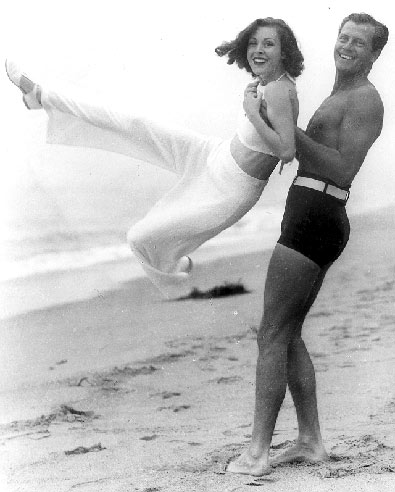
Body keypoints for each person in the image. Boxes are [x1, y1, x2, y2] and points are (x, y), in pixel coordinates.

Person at [5, 17, 303, 298]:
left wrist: (252, 112)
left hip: (231, 189)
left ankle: (176, 274)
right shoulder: (270, 84)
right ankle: (40, 95)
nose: (257, 50)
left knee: (139, 238)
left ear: (283, 51)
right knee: (136, 123)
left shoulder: (277, 90)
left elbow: (286, 151)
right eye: (253, 43)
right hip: (215, 155)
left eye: (268, 44)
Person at [227, 13, 388, 476]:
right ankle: (311, 441)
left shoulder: (365, 100)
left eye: (361, 43)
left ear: (375, 55)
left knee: (272, 331)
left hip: (318, 216)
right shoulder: (340, 94)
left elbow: (340, 169)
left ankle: (257, 453)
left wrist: (280, 126)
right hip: (311, 213)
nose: (349, 47)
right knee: (287, 329)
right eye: (344, 37)